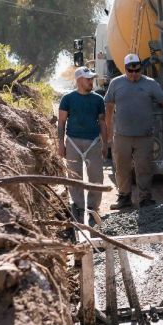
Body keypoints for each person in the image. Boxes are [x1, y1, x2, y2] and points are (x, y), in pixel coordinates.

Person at [104, 53, 163, 209]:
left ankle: (145, 198)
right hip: (122, 136)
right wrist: (109, 130)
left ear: (140, 68)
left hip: (144, 136)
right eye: (130, 71)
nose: (134, 74)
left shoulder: (150, 84)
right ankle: (124, 197)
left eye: (137, 70)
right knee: (122, 168)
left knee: (144, 168)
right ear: (125, 68)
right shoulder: (116, 83)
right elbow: (109, 107)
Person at [57, 67, 108, 222]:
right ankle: (78, 206)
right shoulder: (67, 99)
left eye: (92, 79)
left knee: (96, 177)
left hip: (93, 143)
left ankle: (93, 208)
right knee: (74, 176)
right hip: (73, 142)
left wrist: (105, 144)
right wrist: (60, 144)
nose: (91, 81)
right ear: (79, 80)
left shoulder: (98, 100)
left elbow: (102, 122)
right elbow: (61, 123)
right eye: (88, 79)